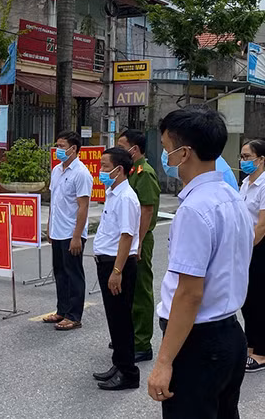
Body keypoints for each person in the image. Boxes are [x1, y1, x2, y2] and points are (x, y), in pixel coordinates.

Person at [149, 106, 254, 418]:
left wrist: (164, 361)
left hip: (198, 343)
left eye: (168, 149)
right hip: (229, 335)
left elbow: (189, 293)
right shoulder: (232, 197)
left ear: (185, 153)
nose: (165, 157)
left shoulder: (195, 210)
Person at [91, 147, 141, 391]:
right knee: (115, 319)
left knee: (122, 320)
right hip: (108, 262)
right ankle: (119, 364)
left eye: (104, 166)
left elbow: (127, 237)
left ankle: (129, 372)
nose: (101, 171)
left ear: (119, 170)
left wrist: (117, 271)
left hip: (117, 265)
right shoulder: (113, 193)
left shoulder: (126, 197)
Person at [43, 131, 93, 330]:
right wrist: (49, 226)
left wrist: (77, 237)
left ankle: (74, 315)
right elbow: (55, 202)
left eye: (62, 146)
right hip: (57, 230)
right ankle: (62, 310)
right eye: (57, 146)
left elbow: (83, 206)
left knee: (73, 274)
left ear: (74, 149)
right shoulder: (56, 170)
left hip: (72, 233)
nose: (58, 150)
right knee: (60, 273)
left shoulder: (81, 173)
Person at [239, 139, 265, 374]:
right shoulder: (245, 183)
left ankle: (261, 353)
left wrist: (245, 248)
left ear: (261, 159)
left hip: (260, 246)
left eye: (247, 157)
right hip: (245, 244)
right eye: (242, 157)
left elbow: (262, 225)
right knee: (247, 300)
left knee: (262, 302)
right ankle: (249, 346)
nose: (243, 161)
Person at [118, 129, 161, 362]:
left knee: (140, 291)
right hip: (128, 239)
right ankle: (129, 336)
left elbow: (147, 210)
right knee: (126, 288)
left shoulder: (145, 173)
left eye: (122, 146)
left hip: (139, 239)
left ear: (134, 149)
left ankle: (142, 342)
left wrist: (139, 243)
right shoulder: (130, 172)